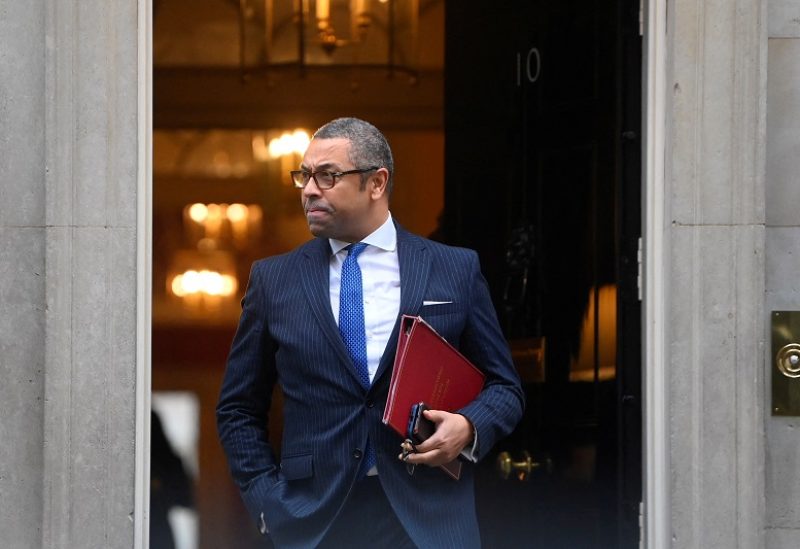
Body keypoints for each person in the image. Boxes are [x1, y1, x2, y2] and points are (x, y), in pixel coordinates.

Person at [216, 117, 524, 548]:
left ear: (376, 183)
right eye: (304, 176)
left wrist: (469, 427)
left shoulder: (454, 268)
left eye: (327, 176)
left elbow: (505, 387)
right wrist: (267, 500)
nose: (308, 190)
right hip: (314, 521)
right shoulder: (274, 281)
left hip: (427, 521)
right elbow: (237, 410)